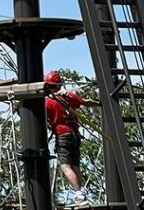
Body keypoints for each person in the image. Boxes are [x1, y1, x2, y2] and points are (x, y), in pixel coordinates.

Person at [45, 70, 89, 206]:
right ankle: (80, 194)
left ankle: (78, 194)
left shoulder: (48, 102)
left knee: (65, 166)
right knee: (75, 165)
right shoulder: (69, 96)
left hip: (63, 134)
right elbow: (84, 101)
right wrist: (100, 103)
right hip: (75, 133)